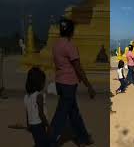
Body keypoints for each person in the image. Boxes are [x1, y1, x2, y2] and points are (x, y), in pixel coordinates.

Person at [50, 18, 96, 147]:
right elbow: (78, 68)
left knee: (73, 113)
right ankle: (49, 141)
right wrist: (89, 86)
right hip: (69, 84)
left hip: (60, 82)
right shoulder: (70, 46)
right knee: (61, 115)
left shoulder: (56, 45)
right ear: (71, 31)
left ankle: (83, 138)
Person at [24, 67, 49, 147]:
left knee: (38, 142)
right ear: (39, 83)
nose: (44, 84)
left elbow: (27, 112)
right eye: (43, 82)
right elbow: (41, 113)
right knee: (43, 143)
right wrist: (47, 125)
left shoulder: (26, 96)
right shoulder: (39, 96)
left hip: (32, 125)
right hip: (39, 125)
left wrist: (28, 124)